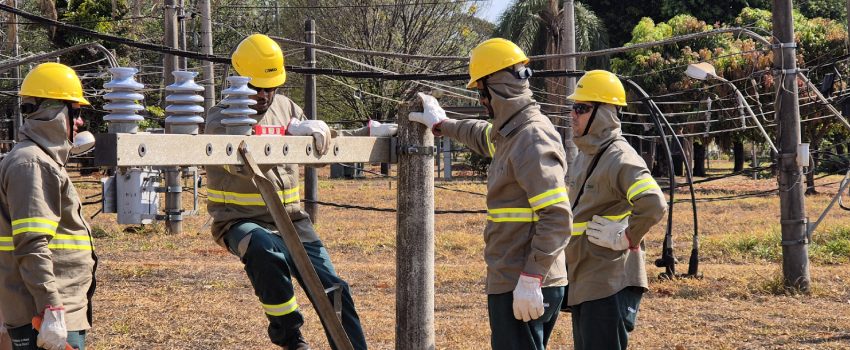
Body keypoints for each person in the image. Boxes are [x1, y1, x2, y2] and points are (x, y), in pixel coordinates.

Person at [206, 34, 394, 350]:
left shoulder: (287, 108)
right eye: (256, 87)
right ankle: (289, 335)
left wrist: (366, 134)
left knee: (334, 289)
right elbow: (241, 165)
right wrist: (286, 138)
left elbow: (321, 144)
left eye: (271, 87)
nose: (265, 94)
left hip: (293, 222)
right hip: (241, 222)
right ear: (238, 78)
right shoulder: (221, 117)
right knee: (265, 250)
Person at [408, 38, 571, 350]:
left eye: (481, 92)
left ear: (495, 87)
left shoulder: (530, 138)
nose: (481, 101)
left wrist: (531, 277)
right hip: (517, 276)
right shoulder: (513, 132)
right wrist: (443, 124)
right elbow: (483, 136)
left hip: (521, 279)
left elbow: (557, 216)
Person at [564, 70, 668, 349]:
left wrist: (626, 236)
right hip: (584, 279)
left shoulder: (619, 157)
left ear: (603, 113)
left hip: (608, 282)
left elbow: (654, 203)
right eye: (573, 107)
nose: (573, 114)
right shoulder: (584, 156)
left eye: (582, 108)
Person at [0, 62, 98, 350]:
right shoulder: (32, 163)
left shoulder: (38, 159)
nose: (79, 122)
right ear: (53, 112)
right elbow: (32, 244)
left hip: (49, 310)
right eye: (75, 112)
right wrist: (52, 310)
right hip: (44, 317)